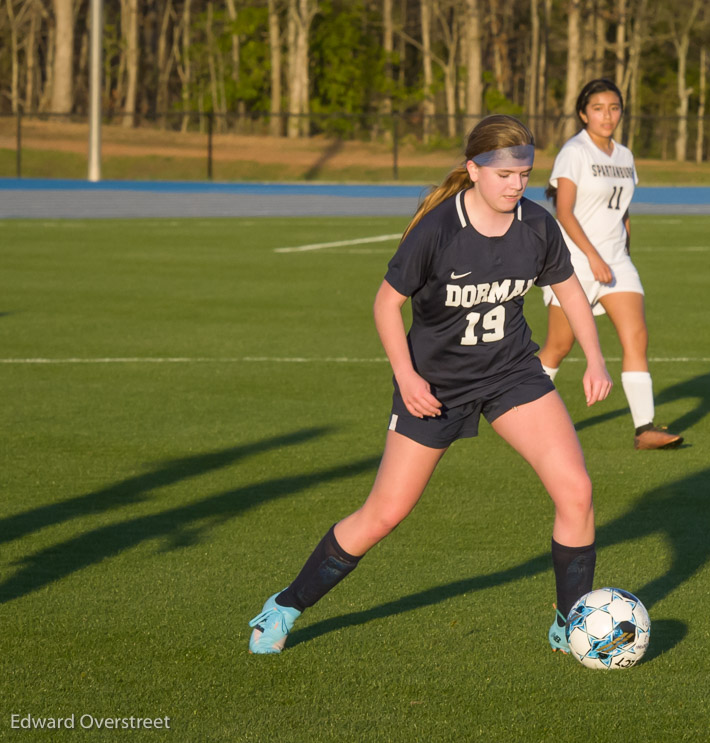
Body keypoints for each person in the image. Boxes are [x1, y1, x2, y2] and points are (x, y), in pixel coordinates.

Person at [247, 114, 612, 655]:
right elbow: (385, 304)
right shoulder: (438, 230)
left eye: (524, 175)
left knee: (577, 492)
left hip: (512, 373)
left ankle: (569, 622)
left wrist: (597, 360)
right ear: (474, 170)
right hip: (435, 387)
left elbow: (570, 289)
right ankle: (284, 607)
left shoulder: (536, 224)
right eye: (504, 175)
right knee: (384, 514)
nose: (516, 185)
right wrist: (407, 376)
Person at [539, 78, 682, 450]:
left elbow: (623, 208)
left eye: (614, 108)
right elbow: (564, 212)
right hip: (576, 262)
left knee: (636, 337)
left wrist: (625, 249)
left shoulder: (625, 156)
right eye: (599, 108)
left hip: (617, 261)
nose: (607, 115)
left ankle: (645, 428)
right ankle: (523, 413)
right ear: (584, 113)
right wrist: (593, 257)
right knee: (558, 346)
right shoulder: (575, 152)